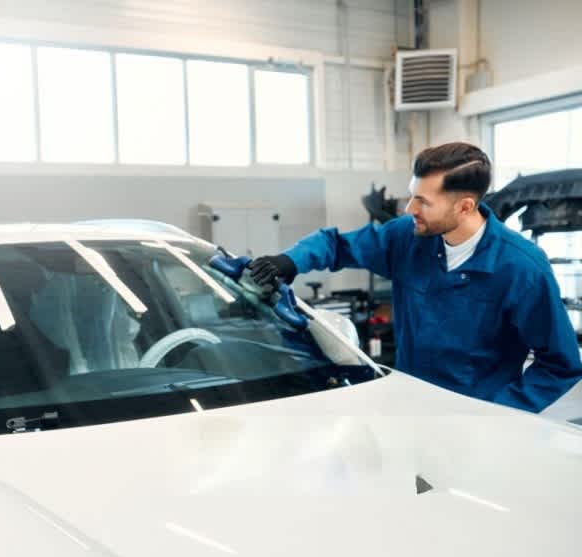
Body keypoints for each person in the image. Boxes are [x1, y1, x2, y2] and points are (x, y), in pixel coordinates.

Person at [249, 142, 582, 413]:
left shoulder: (521, 269)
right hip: (408, 408)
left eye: (423, 201)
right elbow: (335, 245)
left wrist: (499, 413)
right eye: (412, 195)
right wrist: (290, 261)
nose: (410, 209)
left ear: (464, 207)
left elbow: (560, 365)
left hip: (476, 425)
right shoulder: (406, 238)